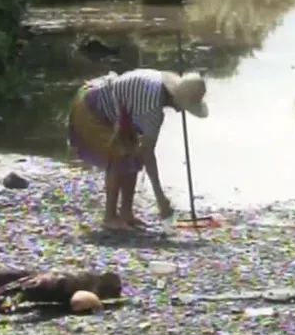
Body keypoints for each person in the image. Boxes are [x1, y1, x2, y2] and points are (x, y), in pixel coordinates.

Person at [67, 68, 209, 231]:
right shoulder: (152, 109)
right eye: (183, 106)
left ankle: (126, 213)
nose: (180, 111)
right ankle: (110, 217)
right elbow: (149, 155)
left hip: (112, 102)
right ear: (175, 98)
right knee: (119, 156)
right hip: (92, 105)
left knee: (133, 153)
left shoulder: (159, 85)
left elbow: (142, 151)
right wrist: (160, 197)